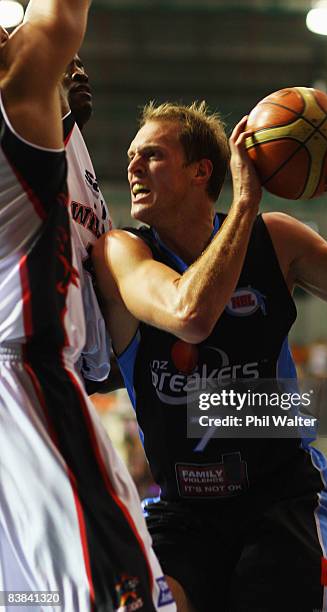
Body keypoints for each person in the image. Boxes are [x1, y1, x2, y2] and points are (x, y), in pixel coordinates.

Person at [92, 100, 327, 611]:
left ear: (202, 171)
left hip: (282, 497)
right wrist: (245, 205)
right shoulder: (121, 252)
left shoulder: (276, 240)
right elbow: (190, 314)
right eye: (133, 156)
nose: (131, 166)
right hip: (185, 509)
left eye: (151, 155)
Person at [0, 3, 175, 610]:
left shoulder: (57, 139)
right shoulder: (19, 115)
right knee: (124, 598)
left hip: (44, 372)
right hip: (22, 382)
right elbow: (57, 20)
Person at [61, 54, 124, 393]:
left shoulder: (80, 156)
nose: (80, 73)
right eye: (66, 64)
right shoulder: (37, 142)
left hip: (75, 375)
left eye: (82, 64)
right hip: (35, 364)